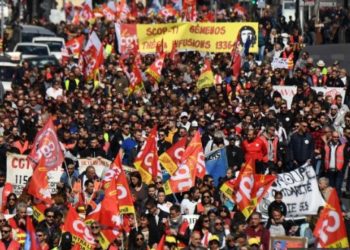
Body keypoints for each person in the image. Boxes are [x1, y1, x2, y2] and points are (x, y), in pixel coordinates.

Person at [322, 130, 346, 196]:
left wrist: (343, 168)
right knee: (331, 188)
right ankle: (332, 203)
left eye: (337, 137)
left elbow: (347, 145)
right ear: (331, 137)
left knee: (337, 187)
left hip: (339, 170)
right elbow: (323, 157)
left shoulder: (342, 145)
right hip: (330, 169)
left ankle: (337, 204)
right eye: (334, 137)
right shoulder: (327, 145)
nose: (336, 138)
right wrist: (324, 168)